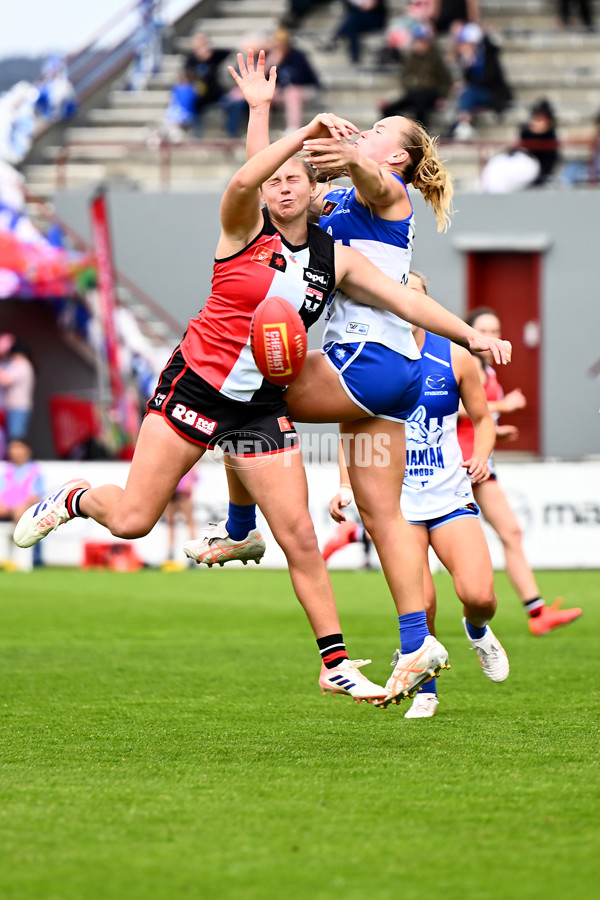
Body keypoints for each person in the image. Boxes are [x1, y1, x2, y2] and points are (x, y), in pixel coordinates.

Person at [13, 55, 507, 704]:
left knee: (302, 534)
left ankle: (336, 657)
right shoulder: (246, 225)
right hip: (197, 386)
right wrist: (270, 117)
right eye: (280, 180)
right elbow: (256, 172)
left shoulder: (346, 240)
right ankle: (79, 498)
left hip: (269, 401)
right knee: (134, 519)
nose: (284, 186)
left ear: (312, 189)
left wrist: (469, 333)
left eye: (295, 181)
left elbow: (404, 298)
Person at [182, 51, 511, 707]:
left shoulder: (389, 198)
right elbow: (264, 178)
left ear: (397, 160)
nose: (369, 133)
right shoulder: (332, 201)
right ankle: (417, 642)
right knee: (381, 511)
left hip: (365, 365)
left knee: (241, 389)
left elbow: (367, 169)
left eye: (381, 131)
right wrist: (261, 111)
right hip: (390, 387)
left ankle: (242, 524)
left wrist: (345, 148)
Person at [326, 271, 509, 717]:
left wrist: (482, 455)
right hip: (398, 503)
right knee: (421, 602)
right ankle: (426, 689)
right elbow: (349, 424)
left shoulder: (455, 356)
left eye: (412, 295)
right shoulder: (373, 358)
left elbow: (483, 420)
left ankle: (477, 630)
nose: (403, 304)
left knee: (480, 595)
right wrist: (346, 483)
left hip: (449, 495)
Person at [457, 308, 582, 636]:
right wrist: (503, 407)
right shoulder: (466, 364)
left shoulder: (488, 372)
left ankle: (537, 611)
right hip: (465, 462)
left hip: (481, 459)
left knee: (510, 532)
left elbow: (477, 419)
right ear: (470, 333)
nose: (491, 336)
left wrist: (499, 432)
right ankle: (358, 534)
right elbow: (452, 408)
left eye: (495, 330)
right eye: (483, 329)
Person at [379, 23, 454, 129]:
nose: (420, 44)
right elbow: (404, 77)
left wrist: (442, 96)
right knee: (388, 109)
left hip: (429, 93)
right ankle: (396, 132)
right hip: (413, 93)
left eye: (423, 41)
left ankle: (420, 137)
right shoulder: (410, 58)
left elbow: (446, 80)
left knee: (420, 107)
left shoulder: (435, 58)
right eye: (418, 41)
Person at [451, 23, 512, 141]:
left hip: (492, 93)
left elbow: (489, 79)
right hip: (477, 92)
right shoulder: (471, 58)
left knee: (468, 93)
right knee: (465, 92)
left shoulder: (488, 57)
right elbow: (468, 79)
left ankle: (464, 124)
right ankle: (463, 124)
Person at [265, 28, 321, 133]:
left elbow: (298, 80)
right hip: (282, 92)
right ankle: (263, 129)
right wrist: (271, 64)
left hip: (306, 89)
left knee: (292, 92)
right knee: (266, 94)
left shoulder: (297, 56)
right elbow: (264, 79)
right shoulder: (271, 56)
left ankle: (293, 128)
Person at [0, 438, 44, 567]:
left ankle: (18, 556)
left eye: (20, 447)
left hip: (24, 509)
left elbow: (34, 496)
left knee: (20, 510)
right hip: (7, 509)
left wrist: (16, 506)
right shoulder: (7, 471)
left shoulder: (34, 470)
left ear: (27, 450)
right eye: (13, 448)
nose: (16, 451)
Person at [324, 0, 388, 65]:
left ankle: (335, 39)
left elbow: (371, 5)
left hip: (375, 20)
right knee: (353, 27)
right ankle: (355, 59)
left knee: (353, 21)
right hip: (358, 22)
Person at [161, 466, 199, 571]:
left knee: (189, 521)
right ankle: (170, 554)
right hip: (171, 486)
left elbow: (194, 467)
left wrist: (189, 482)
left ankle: (192, 555)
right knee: (171, 522)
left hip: (182, 487)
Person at [0, 336, 36, 441]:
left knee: (15, 439)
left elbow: (6, 380)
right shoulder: (23, 364)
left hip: (18, 407)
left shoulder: (21, 365)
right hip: (16, 407)